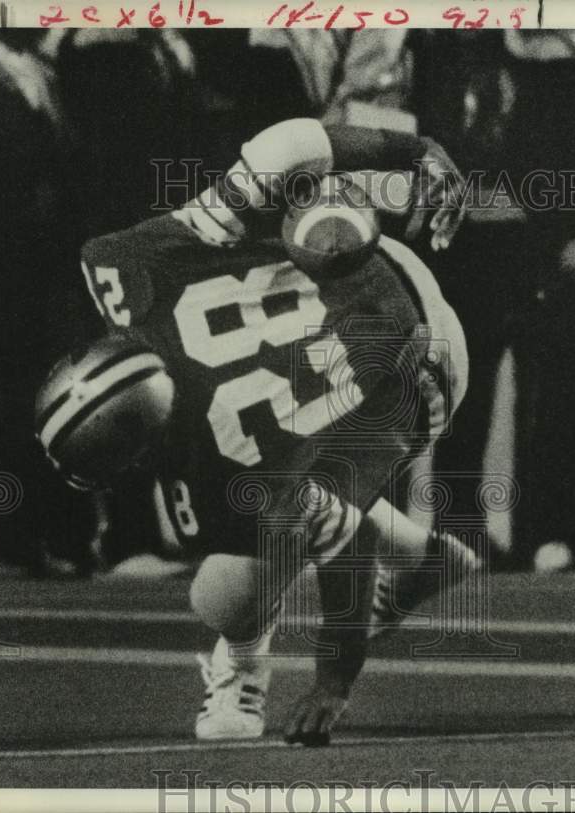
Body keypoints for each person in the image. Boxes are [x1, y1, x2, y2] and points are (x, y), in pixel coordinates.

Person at [37, 118, 475, 745]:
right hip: (381, 268)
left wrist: (334, 680)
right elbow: (289, 145)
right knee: (290, 495)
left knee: (226, 590)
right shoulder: (127, 265)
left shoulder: (212, 458)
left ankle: (241, 662)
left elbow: (343, 543)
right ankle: (421, 557)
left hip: (419, 370)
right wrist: (417, 150)